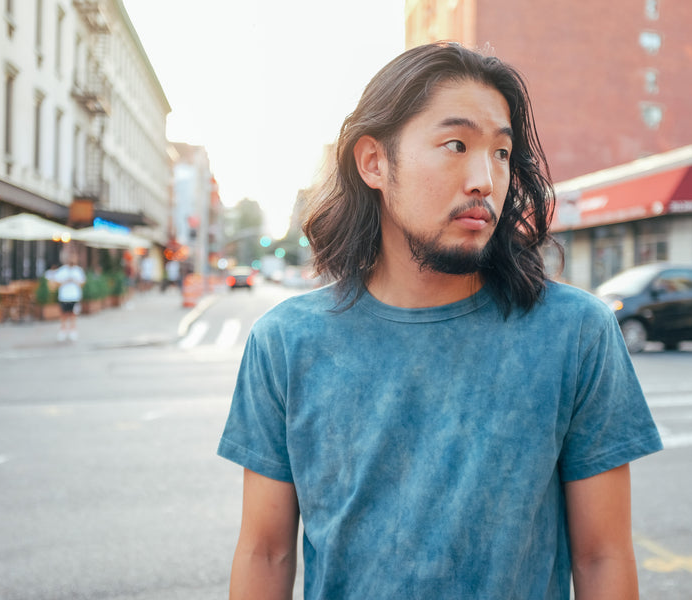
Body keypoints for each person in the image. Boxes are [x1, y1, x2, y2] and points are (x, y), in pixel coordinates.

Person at [217, 42, 663, 599]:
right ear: (374, 162)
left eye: (501, 153)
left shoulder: (576, 332)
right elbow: (265, 552)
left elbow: (603, 556)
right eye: (456, 145)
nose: (485, 180)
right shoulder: (286, 342)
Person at [49, 252, 85, 341]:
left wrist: (75, 281)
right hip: (64, 296)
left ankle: (73, 330)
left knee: (73, 314)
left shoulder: (78, 270)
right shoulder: (62, 270)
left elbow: (82, 283)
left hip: (74, 296)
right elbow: (55, 283)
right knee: (63, 314)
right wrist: (64, 281)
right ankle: (63, 330)